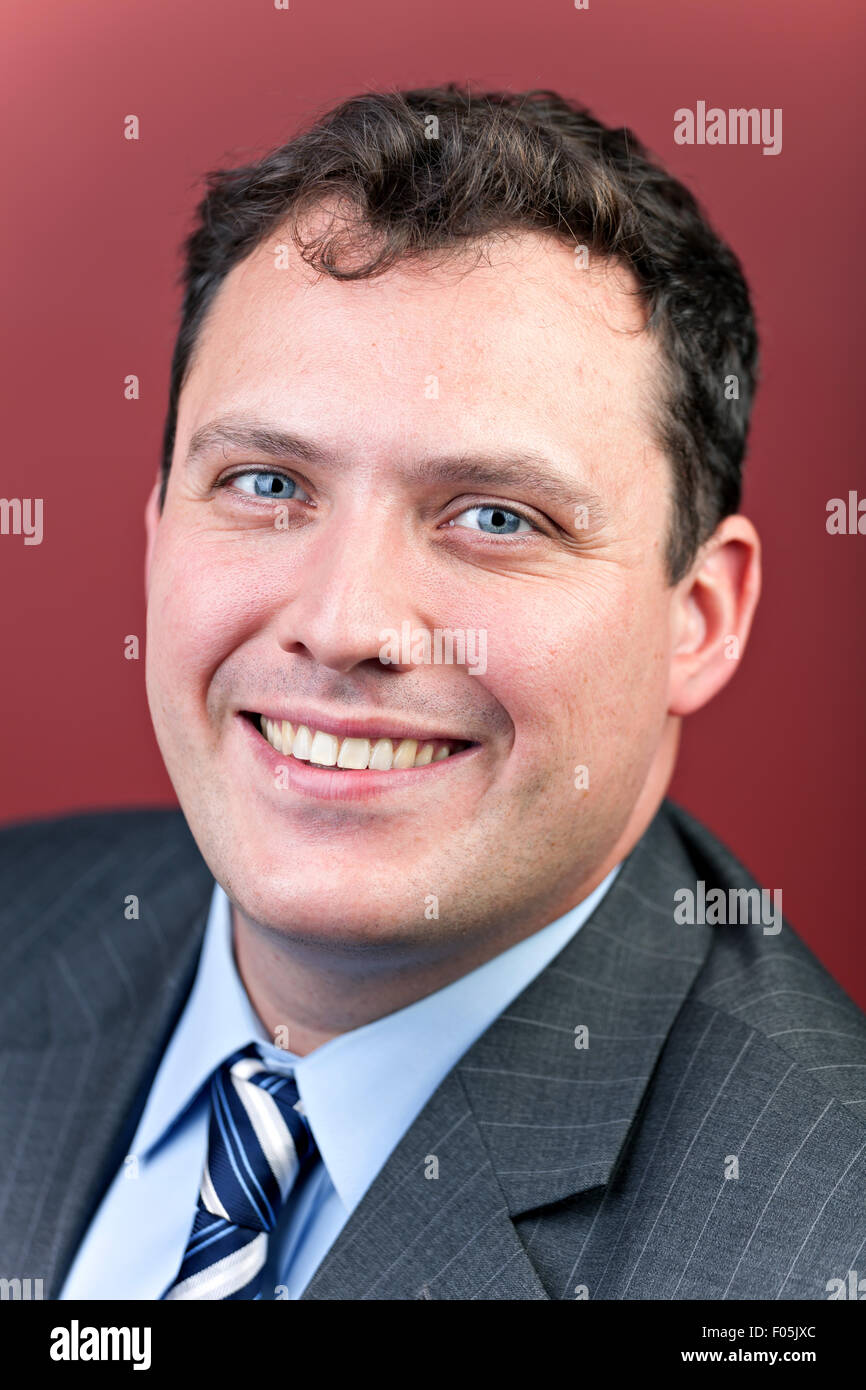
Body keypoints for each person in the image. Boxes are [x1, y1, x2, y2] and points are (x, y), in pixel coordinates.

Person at [2, 85, 864, 1302]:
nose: (342, 623)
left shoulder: (817, 1250)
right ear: (155, 531)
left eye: (496, 517)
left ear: (699, 618)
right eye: (263, 483)